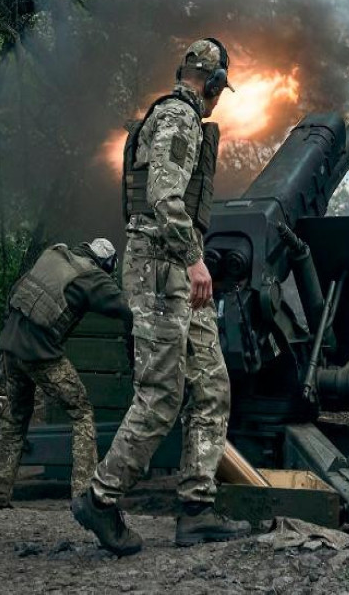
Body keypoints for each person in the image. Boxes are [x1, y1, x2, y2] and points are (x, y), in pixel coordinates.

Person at [72, 39, 249, 555]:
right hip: (162, 268)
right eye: (219, 89)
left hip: (176, 269)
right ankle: (101, 498)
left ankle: (196, 508)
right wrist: (194, 258)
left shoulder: (181, 117)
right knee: (161, 395)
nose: (217, 100)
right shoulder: (178, 117)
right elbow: (164, 196)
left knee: (211, 384)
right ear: (213, 82)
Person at [0, 238, 132, 509]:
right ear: (106, 263)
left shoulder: (55, 254)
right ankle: (83, 496)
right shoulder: (93, 277)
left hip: (10, 345)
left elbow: (16, 293)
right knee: (81, 412)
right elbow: (127, 308)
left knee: (15, 418)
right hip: (40, 353)